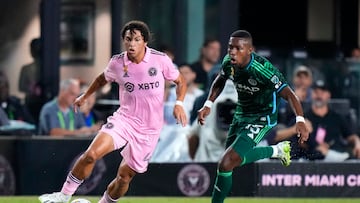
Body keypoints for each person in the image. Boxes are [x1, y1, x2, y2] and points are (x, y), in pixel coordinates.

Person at [38, 20, 187, 203]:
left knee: (125, 176)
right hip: (124, 120)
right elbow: (102, 79)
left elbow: (181, 81)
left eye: (137, 40)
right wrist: (85, 95)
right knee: (91, 155)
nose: (132, 44)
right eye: (128, 39)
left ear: (145, 42)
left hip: (149, 130)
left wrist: (179, 103)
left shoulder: (160, 60)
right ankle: (63, 196)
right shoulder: (117, 62)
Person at [197, 30, 309, 203]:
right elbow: (220, 79)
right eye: (230, 47)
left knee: (227, 162)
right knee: (229, 164)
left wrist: (300, 120)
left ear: (250, 50)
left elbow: (289, 94)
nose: (233, 52)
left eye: (238, 48)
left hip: (262, 117)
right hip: (241, 113)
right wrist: (208, 104)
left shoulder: (263, 69)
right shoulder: (229, 62)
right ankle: (277, 150)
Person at [18, 37, 44, 123]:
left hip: (44, 101)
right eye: (33, 48)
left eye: (37, 48)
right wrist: (31, 89)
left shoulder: (47, 68)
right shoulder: (26, 69)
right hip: (30, 103)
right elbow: (21, 86)